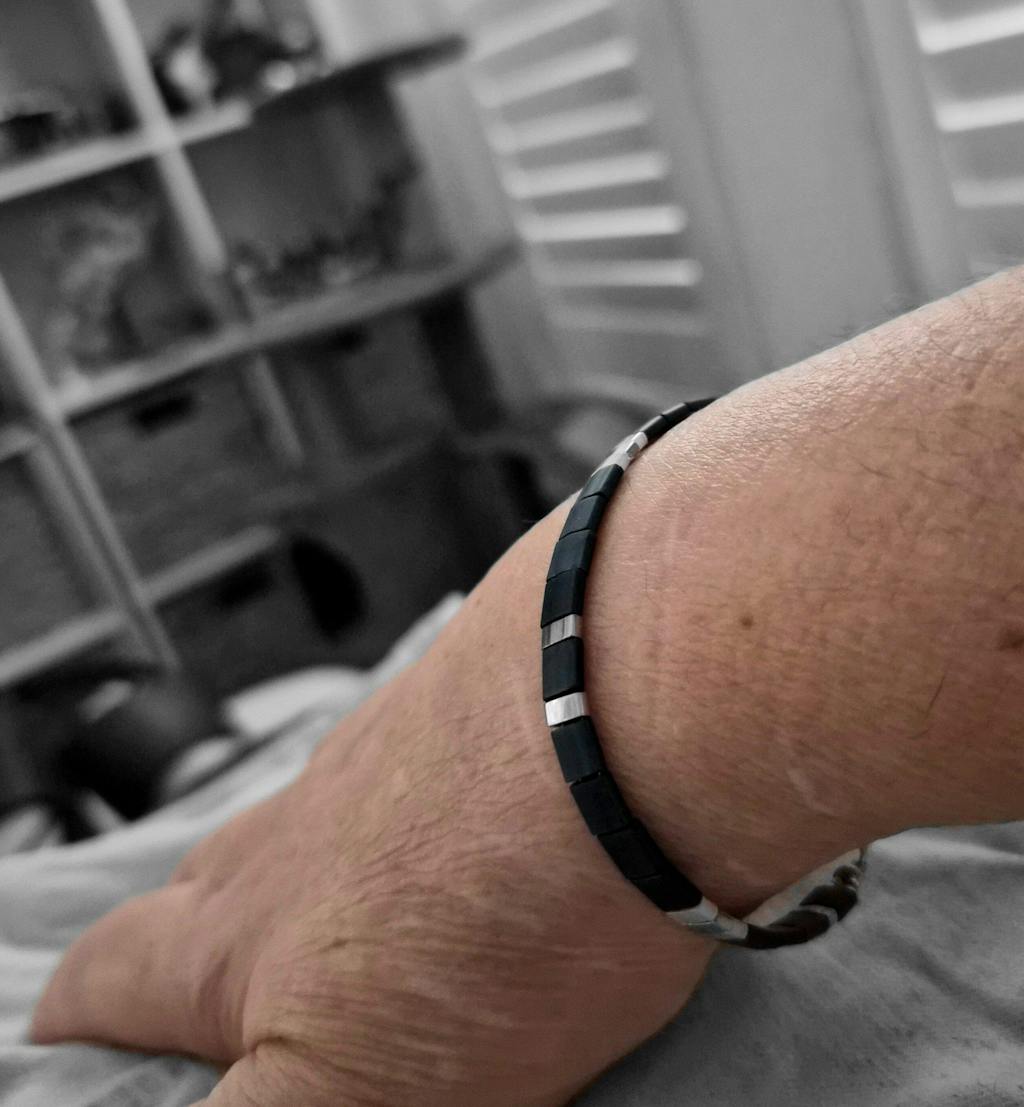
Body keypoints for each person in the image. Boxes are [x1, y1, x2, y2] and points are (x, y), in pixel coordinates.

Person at [30, 265, 1024, 1105]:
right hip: (405, 735)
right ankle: (179, 754)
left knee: (208, 792)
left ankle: (170, 755)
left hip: (456, 723)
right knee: (230, 801)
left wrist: (646, 687)